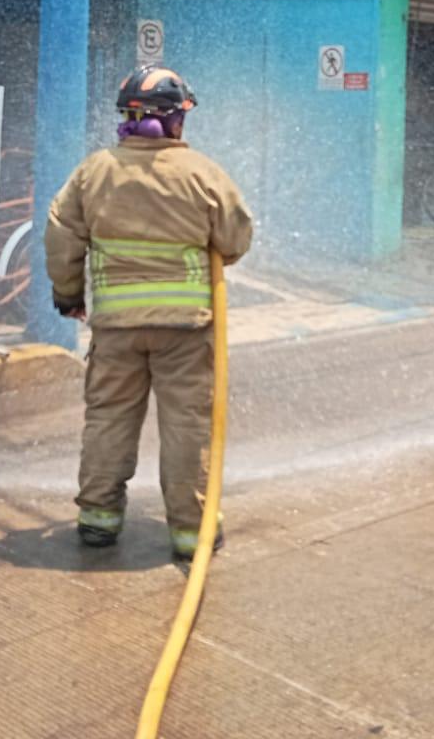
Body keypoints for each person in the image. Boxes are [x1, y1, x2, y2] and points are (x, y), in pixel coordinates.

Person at [45, 65, 253, 562]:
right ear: (175, 120)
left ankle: (98, 516)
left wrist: (68, 294)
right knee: (187, 424)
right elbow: (235, 239)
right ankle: (190, 532)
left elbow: (60, 235)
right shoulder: (202, 172)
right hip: (185, 330)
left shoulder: (93, 171)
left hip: (115, 328)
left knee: (109, 418)